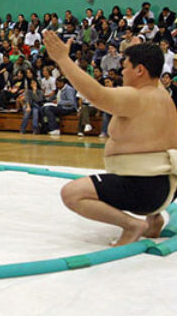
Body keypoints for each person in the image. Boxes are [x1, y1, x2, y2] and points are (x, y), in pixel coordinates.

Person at [43, 30, 177, 246]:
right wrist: (136, 47)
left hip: (145, 189)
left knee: (72, 194)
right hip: (167, 187)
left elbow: (95, 95)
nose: (122, 72)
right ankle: (154, 219)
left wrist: (63, 60)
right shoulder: (160, 91)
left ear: (140, 70)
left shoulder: (136, 96)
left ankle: (132, 225)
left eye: (125, 67)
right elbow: (152, 61)